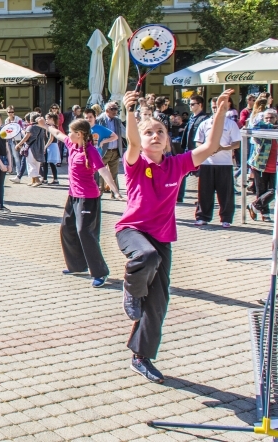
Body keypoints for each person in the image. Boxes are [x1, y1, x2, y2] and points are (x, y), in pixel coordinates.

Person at [117, 88, 233, 383]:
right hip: (132, 231)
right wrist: (129, 111)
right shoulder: (136, 163)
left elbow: (210, 146)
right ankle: (131, 290)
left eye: (160, 132)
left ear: (167, 140)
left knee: (158, 303)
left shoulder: (176, 164)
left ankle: (141, 357)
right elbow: (131, 141)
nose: (155, 135)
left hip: (162, 237)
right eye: (149, 133)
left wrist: (219, 111)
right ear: (143, 142)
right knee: (146, 255)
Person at [43, 118, 120, 288]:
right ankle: (77, 265)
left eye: (71, 131)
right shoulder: (72, 144)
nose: (68, 134)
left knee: (85, 232)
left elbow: (103, 171)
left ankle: (100, 273)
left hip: (88, 198)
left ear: (79, 134)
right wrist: (44, 125)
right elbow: (57, 133)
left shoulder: (91, 151)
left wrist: (115, 189)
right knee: (66, 229)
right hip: (73, 196)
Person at [194, 96, 241, 227]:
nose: (216, 109)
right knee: (204, 192)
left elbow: (236, 144)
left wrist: (222, 148)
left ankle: (226, 218)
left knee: (225, 193)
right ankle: (203, 216)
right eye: (214, 107)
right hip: (207, 163)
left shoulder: (230, 124)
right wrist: (206, 149)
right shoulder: (205, 123)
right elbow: (198, 141)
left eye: (218, 107)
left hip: (224, 163)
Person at [246, 109, 278, 222]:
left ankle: (254, 206)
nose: (269, 120)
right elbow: (254, 126)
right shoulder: (261, 128)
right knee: (262, 190)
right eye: (266, 118)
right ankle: (265, 214)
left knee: (274, 190)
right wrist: (268, 125)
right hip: (260, 164)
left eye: (272, 118)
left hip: (275, 167)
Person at [176, 95, 209, 202]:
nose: (190, 106)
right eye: (189, 104)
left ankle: (201, 199)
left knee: (201, 176)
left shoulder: (204, 119)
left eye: (192, 104)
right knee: (181, 172)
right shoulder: (192, 117)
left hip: (197, 150)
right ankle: (178, 197)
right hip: (187, 149)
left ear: (200, 105)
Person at [95, 102, 126, 197]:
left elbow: (124, 133)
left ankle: (115, 193)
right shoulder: (99, 120)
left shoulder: (117, 120)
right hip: (103, 151)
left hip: (115, 151)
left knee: (114, 173)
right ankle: (98, 192)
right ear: (107, 110)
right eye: (113, 109)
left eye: (116, 109)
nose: (115, 111)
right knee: (100, 173)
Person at [15, 113, 50, 188]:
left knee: (30, 164)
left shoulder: (31, 127)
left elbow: (26, 137)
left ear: (31, 119)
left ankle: (37, 180)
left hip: (32, 147)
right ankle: (33, 181)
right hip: (39, 147)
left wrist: (19, 144)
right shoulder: (41, 127)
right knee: (36, 164)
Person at [4, 105, 26, 183]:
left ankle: (18, 172)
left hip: (17, 140)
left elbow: (22, 128)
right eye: (9, 112)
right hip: (9, 139)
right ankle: (11, 170)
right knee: (10, 155)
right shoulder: (6, 120)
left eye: (12, 112)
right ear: (7, 112)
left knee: (16, 156)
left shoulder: (18, 119)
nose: (11, 113)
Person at [42, 113, 61, 184]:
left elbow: (51, 138)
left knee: (47, 163)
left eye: (47, 119)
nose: (46, 120)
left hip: (51, 146)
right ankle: (53, 178)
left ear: (52, 119)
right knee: (49, 163)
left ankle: (45, 179)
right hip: (52, 146)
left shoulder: (52, 127)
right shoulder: (50, 127)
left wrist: (45, 147)